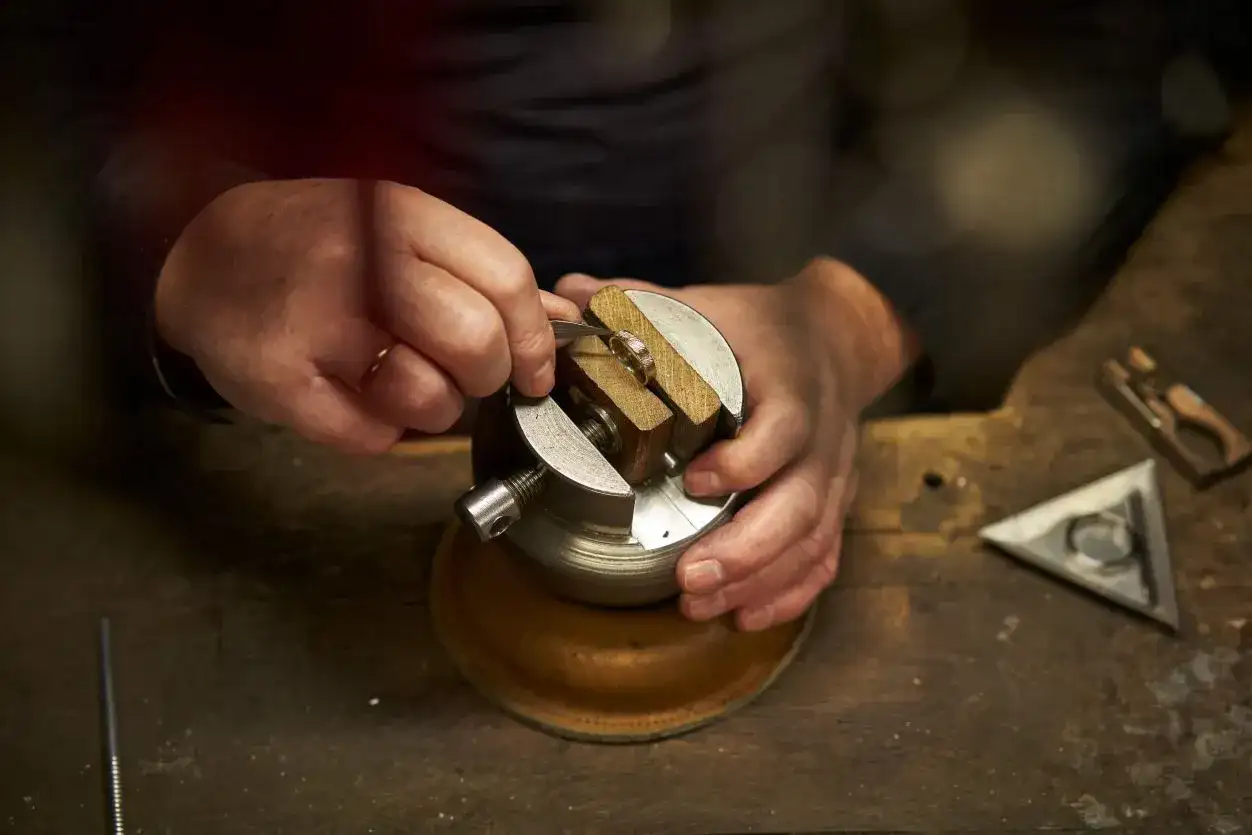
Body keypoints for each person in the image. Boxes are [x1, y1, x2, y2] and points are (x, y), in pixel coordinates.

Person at [86, 0, 1223, 632]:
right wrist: (177, 246)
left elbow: (1130, 44)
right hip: (246, 429)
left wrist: (853, 313)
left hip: (808, 268)